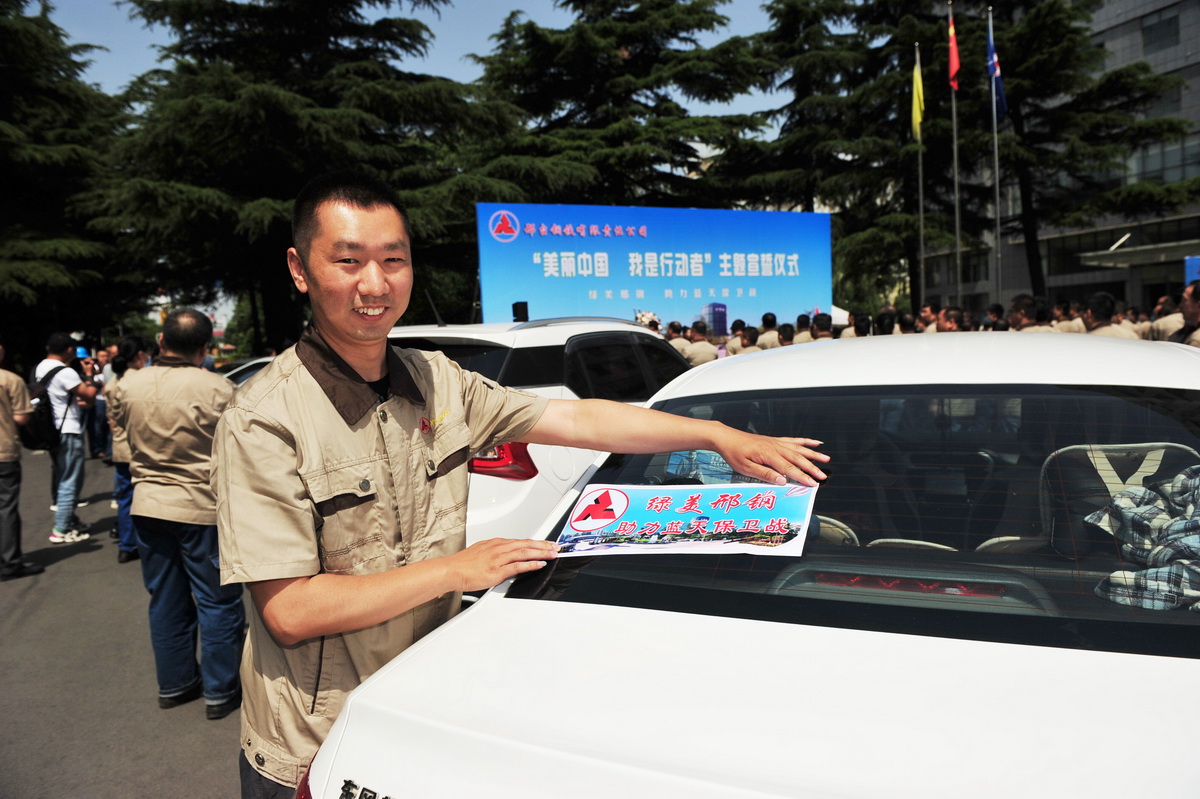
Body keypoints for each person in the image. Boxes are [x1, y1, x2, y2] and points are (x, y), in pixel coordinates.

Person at [215, 171, 830, 798]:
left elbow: (576, 419)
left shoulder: (437, 381)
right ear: (300, 269)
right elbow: (289, 611)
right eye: (348, 261)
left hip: (423, 707)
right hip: (317, 748)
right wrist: (457, 571)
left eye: (392, 260)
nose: (374, 284)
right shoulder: (263, 419)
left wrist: (716, 435)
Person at [110, 310, 245, 720]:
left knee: (165, 599)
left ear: (161, 342)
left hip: (147, 503)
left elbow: (121, 436)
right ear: (205, 348)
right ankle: (221, 690)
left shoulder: (128, 385)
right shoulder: (219, 388)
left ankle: (175, 683)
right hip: (201, 507)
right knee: (217, 602)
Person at [36, 332, 98, 543]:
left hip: (51, 429)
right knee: (70, 480)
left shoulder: (40, 368)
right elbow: (88, 395)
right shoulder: (66, 372)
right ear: (70, 350)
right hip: (68, 429)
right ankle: (61, 529)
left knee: (63, 475)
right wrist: (89, 374)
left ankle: (70, 520)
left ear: (48, 348)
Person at [104, 335, 151, 563]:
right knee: (145, 497)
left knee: (125, 497)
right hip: (140, 446)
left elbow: (112, 419)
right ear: (140, 355)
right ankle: (143, 543)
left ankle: (127, 543)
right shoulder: (143, 380)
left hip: (120, 445)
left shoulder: (113, 384)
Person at [1, 335, 42, 581]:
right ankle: (9, 562)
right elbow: (21, 417)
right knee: (6, 507)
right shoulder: (10, 380)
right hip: (4, 450)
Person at [1167, 280, 1200, 347]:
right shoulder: (1182, 333)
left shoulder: (1196, 341)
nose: (1180, 306)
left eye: (1184, 300)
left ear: (1198, 304)